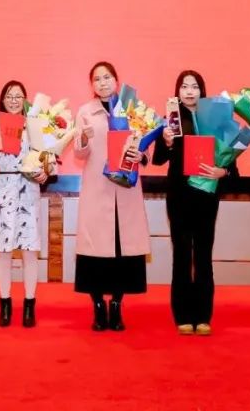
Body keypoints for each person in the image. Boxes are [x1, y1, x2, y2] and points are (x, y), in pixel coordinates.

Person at [151, 70, 237, 336]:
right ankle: (182, 315)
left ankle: (203, 315)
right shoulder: (171, 118)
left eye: (195, 86)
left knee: (203, 255)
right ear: (177, 91)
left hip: (206, 196)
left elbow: (231, 164)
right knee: (181, 254)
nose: (190, 91)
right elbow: (158, 159)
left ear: (202, 91)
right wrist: (165, 141)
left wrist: (222, 172)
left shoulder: (215, 119)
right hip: (179, 194)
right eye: (184, 86)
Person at [73, 61, 149, 332]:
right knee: (94, 252)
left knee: (122, 250)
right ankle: (97, 306)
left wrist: (141, 153)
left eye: (107, 77)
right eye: (97, 79)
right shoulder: (85, 111)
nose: (102, 83)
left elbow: (144, 145)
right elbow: (79, 153)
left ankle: (116, 305)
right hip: (97, 190)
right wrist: (83, 139)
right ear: (92, 85)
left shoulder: (131, 109)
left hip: (126, 190)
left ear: (116, 80)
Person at [0, 80, 48, 327]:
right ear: (3, 100)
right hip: (4, 189)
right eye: (9, 96)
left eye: (18, 96)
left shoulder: (34, 126)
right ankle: (5, 304)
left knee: (30, 250)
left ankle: (30, 305)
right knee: (4, 251)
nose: (13, 100)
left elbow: (46, 159)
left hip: (28, 190)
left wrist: (44, 172)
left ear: (25, 100)